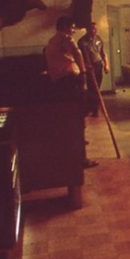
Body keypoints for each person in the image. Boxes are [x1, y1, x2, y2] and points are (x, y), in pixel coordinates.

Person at [44, 16, 97, 168]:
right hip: (69, 83)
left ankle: (74, 154)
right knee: (77, 121)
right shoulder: (66, 39)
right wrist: (84, 73)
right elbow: (77, 54)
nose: (74, 30)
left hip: (59, 84)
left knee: (71, 122)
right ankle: (81, 158)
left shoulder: (52, 41)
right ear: (66, 27)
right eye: (73, 27)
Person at [78, 21, 109, 117]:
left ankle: (95, 108)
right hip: (89, 67)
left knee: (97, 87)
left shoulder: (98, 39)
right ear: (87, 30)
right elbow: (82, 56)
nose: (94, 31)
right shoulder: (82, 41)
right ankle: (93, 109)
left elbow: (103, 53)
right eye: (91, 29)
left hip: (98, 65)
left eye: (95, 29)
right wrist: (87, 66)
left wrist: (106, 65)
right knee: (92, 88)